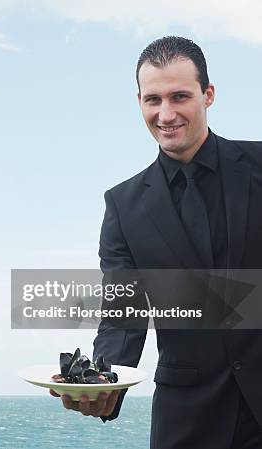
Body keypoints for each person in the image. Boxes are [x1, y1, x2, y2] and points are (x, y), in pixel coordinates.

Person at [51, 36, 262, 449]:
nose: (166, 114)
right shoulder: (123, 205)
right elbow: (122, 312)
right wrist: (102, 385)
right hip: (188, 419)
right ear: (140, 102)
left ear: (208, 95)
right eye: (153, 100)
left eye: (180, 96)